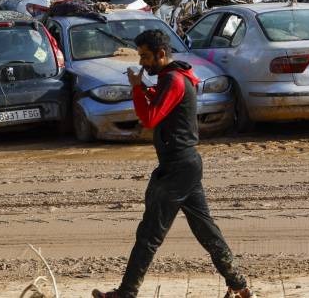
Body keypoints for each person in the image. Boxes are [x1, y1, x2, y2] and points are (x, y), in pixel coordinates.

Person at [92, 30, 255, 298]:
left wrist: (136, 88)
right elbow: (157, 101)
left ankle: (126, 292)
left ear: (161, 55)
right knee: (206, 230)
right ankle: (239, 284)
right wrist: (143, 88)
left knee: (149, 235)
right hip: (183, 165)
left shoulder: (174, 80)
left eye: (145, 57)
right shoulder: (170, 78)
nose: (142, 63)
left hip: (179, 168)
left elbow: (150, 118)